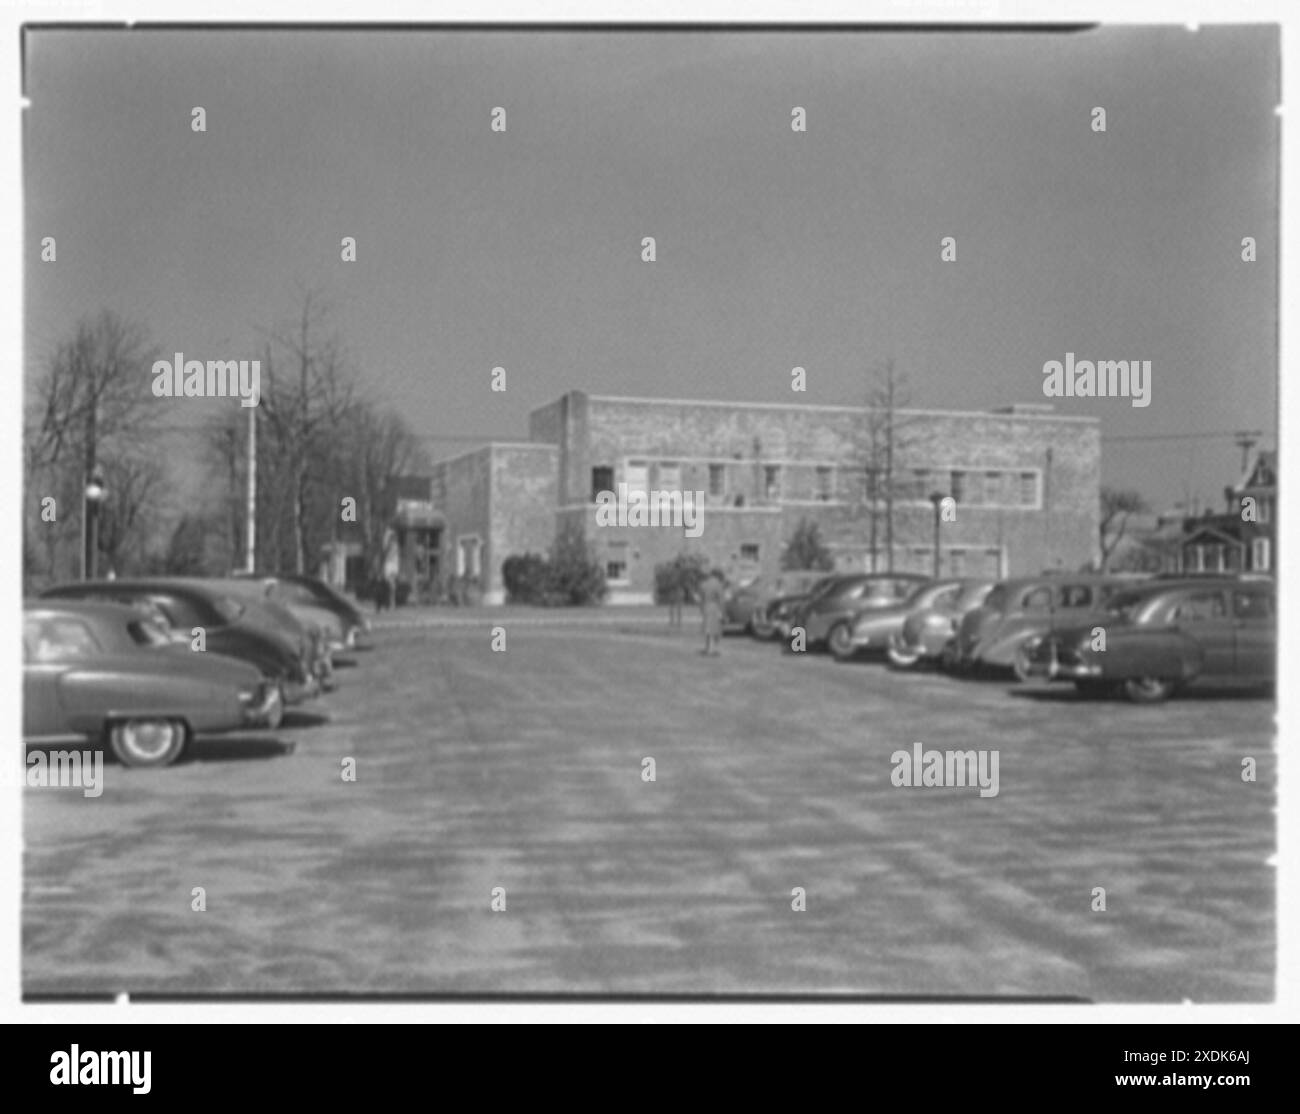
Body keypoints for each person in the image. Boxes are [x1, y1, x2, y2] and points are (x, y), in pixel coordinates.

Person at [699, 568, 726, 656]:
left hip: (706, 606)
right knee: (714, 629)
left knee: (707, 628)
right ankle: (711, 649)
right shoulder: (718, 585)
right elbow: (721, 600)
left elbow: (701, 599)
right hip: (715, 607)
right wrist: (722, 612)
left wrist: (701, 609)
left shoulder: (704, 584)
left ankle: (707, 648)